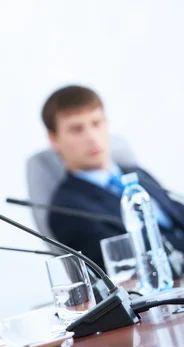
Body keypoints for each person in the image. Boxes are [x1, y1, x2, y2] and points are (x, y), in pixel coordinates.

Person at [44, 85, 184, 271]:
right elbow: (129, 267)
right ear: (54, 139)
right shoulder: (66, 208)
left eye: (96, 123)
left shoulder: (136, 173)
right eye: (77, 129)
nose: (92, 137)